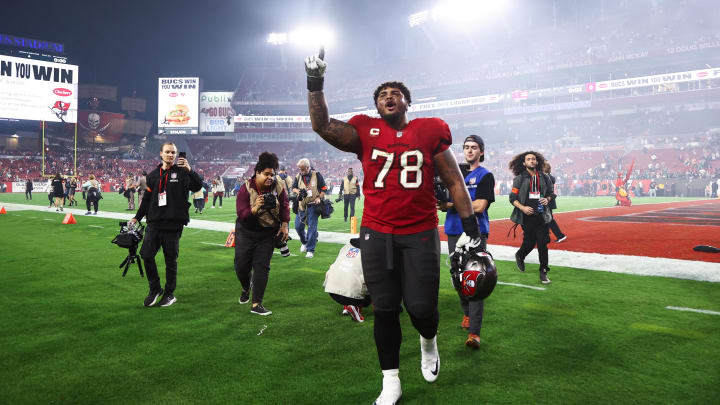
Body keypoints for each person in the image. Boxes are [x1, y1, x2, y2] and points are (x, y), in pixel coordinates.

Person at [304, 51, 482, 405]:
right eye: (382, 93)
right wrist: (315, 82)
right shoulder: (366, 132)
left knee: (421, 308)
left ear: (406, 102)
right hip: (377, 231)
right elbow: (322, 125)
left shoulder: (428, 130)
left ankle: (428, 343)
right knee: (384, 308)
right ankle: (390, 380)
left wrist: (470, 227)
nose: (388, 96)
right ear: (376, 104)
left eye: (395, 92)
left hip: (419, 231)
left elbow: (454, 180)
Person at [437, 135, 494, 349]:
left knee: (476, 279)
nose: (469, 151)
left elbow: (479, 207)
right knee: (458, 279)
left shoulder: (485, 175)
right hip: (453, 231)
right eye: (466, 147)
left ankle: (475, 334)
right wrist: (443, 202)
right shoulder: (453, 176)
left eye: (474, 148)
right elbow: (444, 205)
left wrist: (451, 203)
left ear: (481, 151)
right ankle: (467, 313)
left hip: (475, 233)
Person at [129, 142, 203, 308]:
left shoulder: (183, 173)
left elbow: (198, 186)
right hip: (154, 223)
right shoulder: (153, 175)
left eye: (173, 152)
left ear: (176, 155)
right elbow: (147, 200)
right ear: (161, 154)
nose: (170, 155)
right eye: (167, 152)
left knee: (171, 261)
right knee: (146, 255)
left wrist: (190, 170)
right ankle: (155, 289)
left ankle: (169, 294)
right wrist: (136, 217)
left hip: (173, 225)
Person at [234, 152, 290, 316]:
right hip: (246, 231)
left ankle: (256, 303)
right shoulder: (246, 188)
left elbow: (285, 205)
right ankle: (246, 287)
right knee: (241, 267)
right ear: (257, 172)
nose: (270, 177)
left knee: (262, 266)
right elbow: (241, 215)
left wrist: (285, 225)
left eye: (272, 174)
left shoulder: (278, 185)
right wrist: (255, 209)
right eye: (266, 174)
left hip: (267, 233)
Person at [509, 151, 555, 284]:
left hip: (542, 216)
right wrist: (523, 208)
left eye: (533, 159)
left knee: (542, 243)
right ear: (524, 163)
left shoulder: (544, 177)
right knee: (529, 243)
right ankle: (520, 255)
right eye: (528, 159)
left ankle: (543, 272)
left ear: (537, 161)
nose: (531, 161)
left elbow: (552, 193)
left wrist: (548, 199)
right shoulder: (519, 179)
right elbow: (512, 199)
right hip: (526, 217)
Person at [324, 238, 371, 323]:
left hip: (331, 290)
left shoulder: (346, 246)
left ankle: (347, 307)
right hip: (353, 294)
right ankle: (355, 307)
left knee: (347, 273)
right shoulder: (373, 251)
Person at [292, 158, 327, 258]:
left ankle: (310, 250)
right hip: (301, 206)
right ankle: (304, 242)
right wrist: (298, 192)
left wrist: (319, 198)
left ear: (308, 167)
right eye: (299, 169)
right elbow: (293, 188)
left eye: (302, 169)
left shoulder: (317, 175)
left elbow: (324, 189)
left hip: (313, 205)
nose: (301, 171)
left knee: (312, 227)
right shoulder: (298, 176)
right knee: (298, 227)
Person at [543, 163, 567, 243]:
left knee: (549, 220)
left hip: (546, 201)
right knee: (546, 219)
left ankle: (560, 235)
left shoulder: (545, 178)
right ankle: (545, 235)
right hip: (549, 201)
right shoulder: (551, 177)